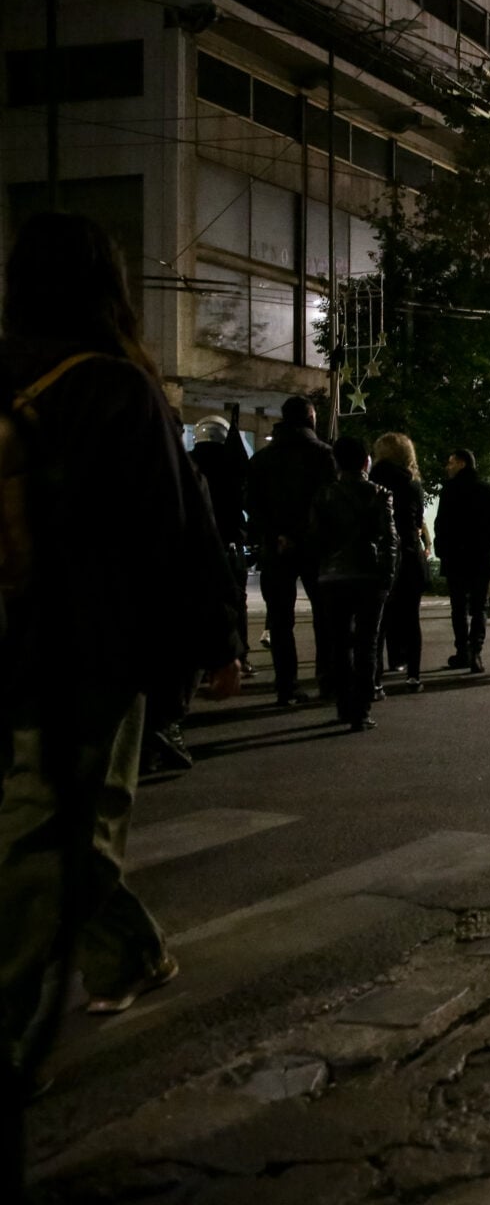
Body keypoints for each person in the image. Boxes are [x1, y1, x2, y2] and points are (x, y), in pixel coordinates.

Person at [0, 214, 244, 1168]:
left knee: (52, 820)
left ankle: (128, 953)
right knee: (55, 831)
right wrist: (213, 641)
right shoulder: (113, 386)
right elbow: (174, 529)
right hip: (85, 649)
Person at [247, 395, 335, 705]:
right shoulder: (324, 455)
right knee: (325, 616)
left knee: (280, 619)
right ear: (310, 418)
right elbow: (328, 503)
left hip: (277, 546)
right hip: (316, 547)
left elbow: (252, 505)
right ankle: (327, 679)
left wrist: (278, 534)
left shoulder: (262, 459)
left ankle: (286, 685)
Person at [308, 437, 397, 731]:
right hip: (369, 575)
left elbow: (315, 538)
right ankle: (361, 709)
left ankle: (344, 705)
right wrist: (388, 575)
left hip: (333, 576)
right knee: (367, 643)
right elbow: (389, 540)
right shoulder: (379, 494)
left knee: (338, 643)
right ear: (365, 462)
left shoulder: (324, 495)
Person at [435, 449, 490, 675]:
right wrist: (485, 546)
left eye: (451, 463)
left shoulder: (449, 491)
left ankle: (462, 651)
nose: (448, 467)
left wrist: (443, 549)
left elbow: (441, 525)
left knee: (458, 607)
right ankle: (476, 652)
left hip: (455, 557)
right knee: (479, 607)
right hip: (481, 558)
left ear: (462, 463)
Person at [190, 414, 252, 677]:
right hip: (230, 542)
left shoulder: (188, 463)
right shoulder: (233, 464)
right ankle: (239, 655)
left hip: (195, 545)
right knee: (236, 601)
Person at [369, 433, 430, 692]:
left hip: (381, 555)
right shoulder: (412, 484)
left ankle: (375, 678)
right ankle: (413, 676)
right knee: (411, 618)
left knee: (378, 621)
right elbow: (416, 522)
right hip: (408, 554)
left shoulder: (372, 481)